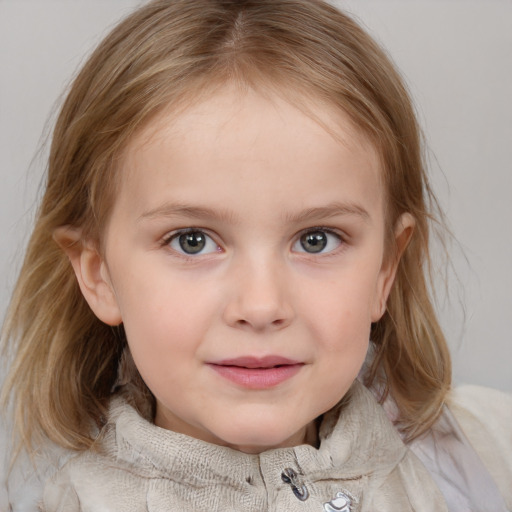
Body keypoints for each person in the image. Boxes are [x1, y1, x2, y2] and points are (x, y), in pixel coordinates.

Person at [1, 0, 511, 510]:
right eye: (192, 241)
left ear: (385, 268)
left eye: (317, 239)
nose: (262, 305)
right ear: (98, 275)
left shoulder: (482, 460)